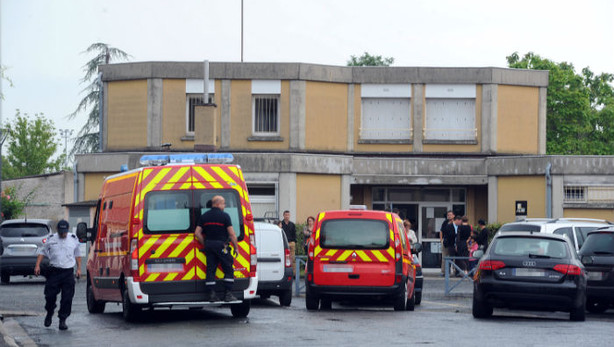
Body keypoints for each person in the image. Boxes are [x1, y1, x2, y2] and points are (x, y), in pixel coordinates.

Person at [34, 220, 81, 330]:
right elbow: (42, 252)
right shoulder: (51, 239)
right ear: (57, 230)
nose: (62, 234)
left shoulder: (73, 239)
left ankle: (62, 320)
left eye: (64, 232)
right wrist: (37, 266)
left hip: (68, 272)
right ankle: (49, 313)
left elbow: (77, 254)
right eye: (60, 232)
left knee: (67, 298)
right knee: (50, 296)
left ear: (67, 230)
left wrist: (78, 269)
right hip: (54, 272)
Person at [194, 195, 240, 302]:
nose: (224, 206)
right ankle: (228, 294)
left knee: (210, 269)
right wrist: (236, 248)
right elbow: (232, 234)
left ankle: (211, 294)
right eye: (224, 203)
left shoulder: (204, 216)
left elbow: (197, 233)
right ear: (218, 204)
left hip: (209, 245)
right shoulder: (224, 216)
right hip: (221, 245)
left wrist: (205, 243)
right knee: (228, 267)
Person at [439, 210, 455, 275]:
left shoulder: (455, 223)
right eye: (448, 215)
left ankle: (454, 271)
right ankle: (444, 272)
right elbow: (441, 231)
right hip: (445, 242)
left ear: (454, 215)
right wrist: (441, 240)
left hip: (453, 243)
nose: (449, 216)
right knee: (444, 258)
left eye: (450, 215)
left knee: (453, 258)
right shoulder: (445, 222)